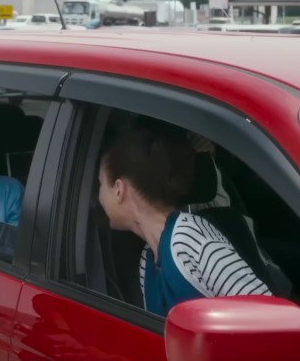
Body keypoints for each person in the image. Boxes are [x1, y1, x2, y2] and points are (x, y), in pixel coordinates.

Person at [96, 125, 271, 317]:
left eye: (101, 184)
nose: (99, 196)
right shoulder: (148, 261)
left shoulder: (188, 238)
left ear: (119, 189)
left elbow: (265, 315)